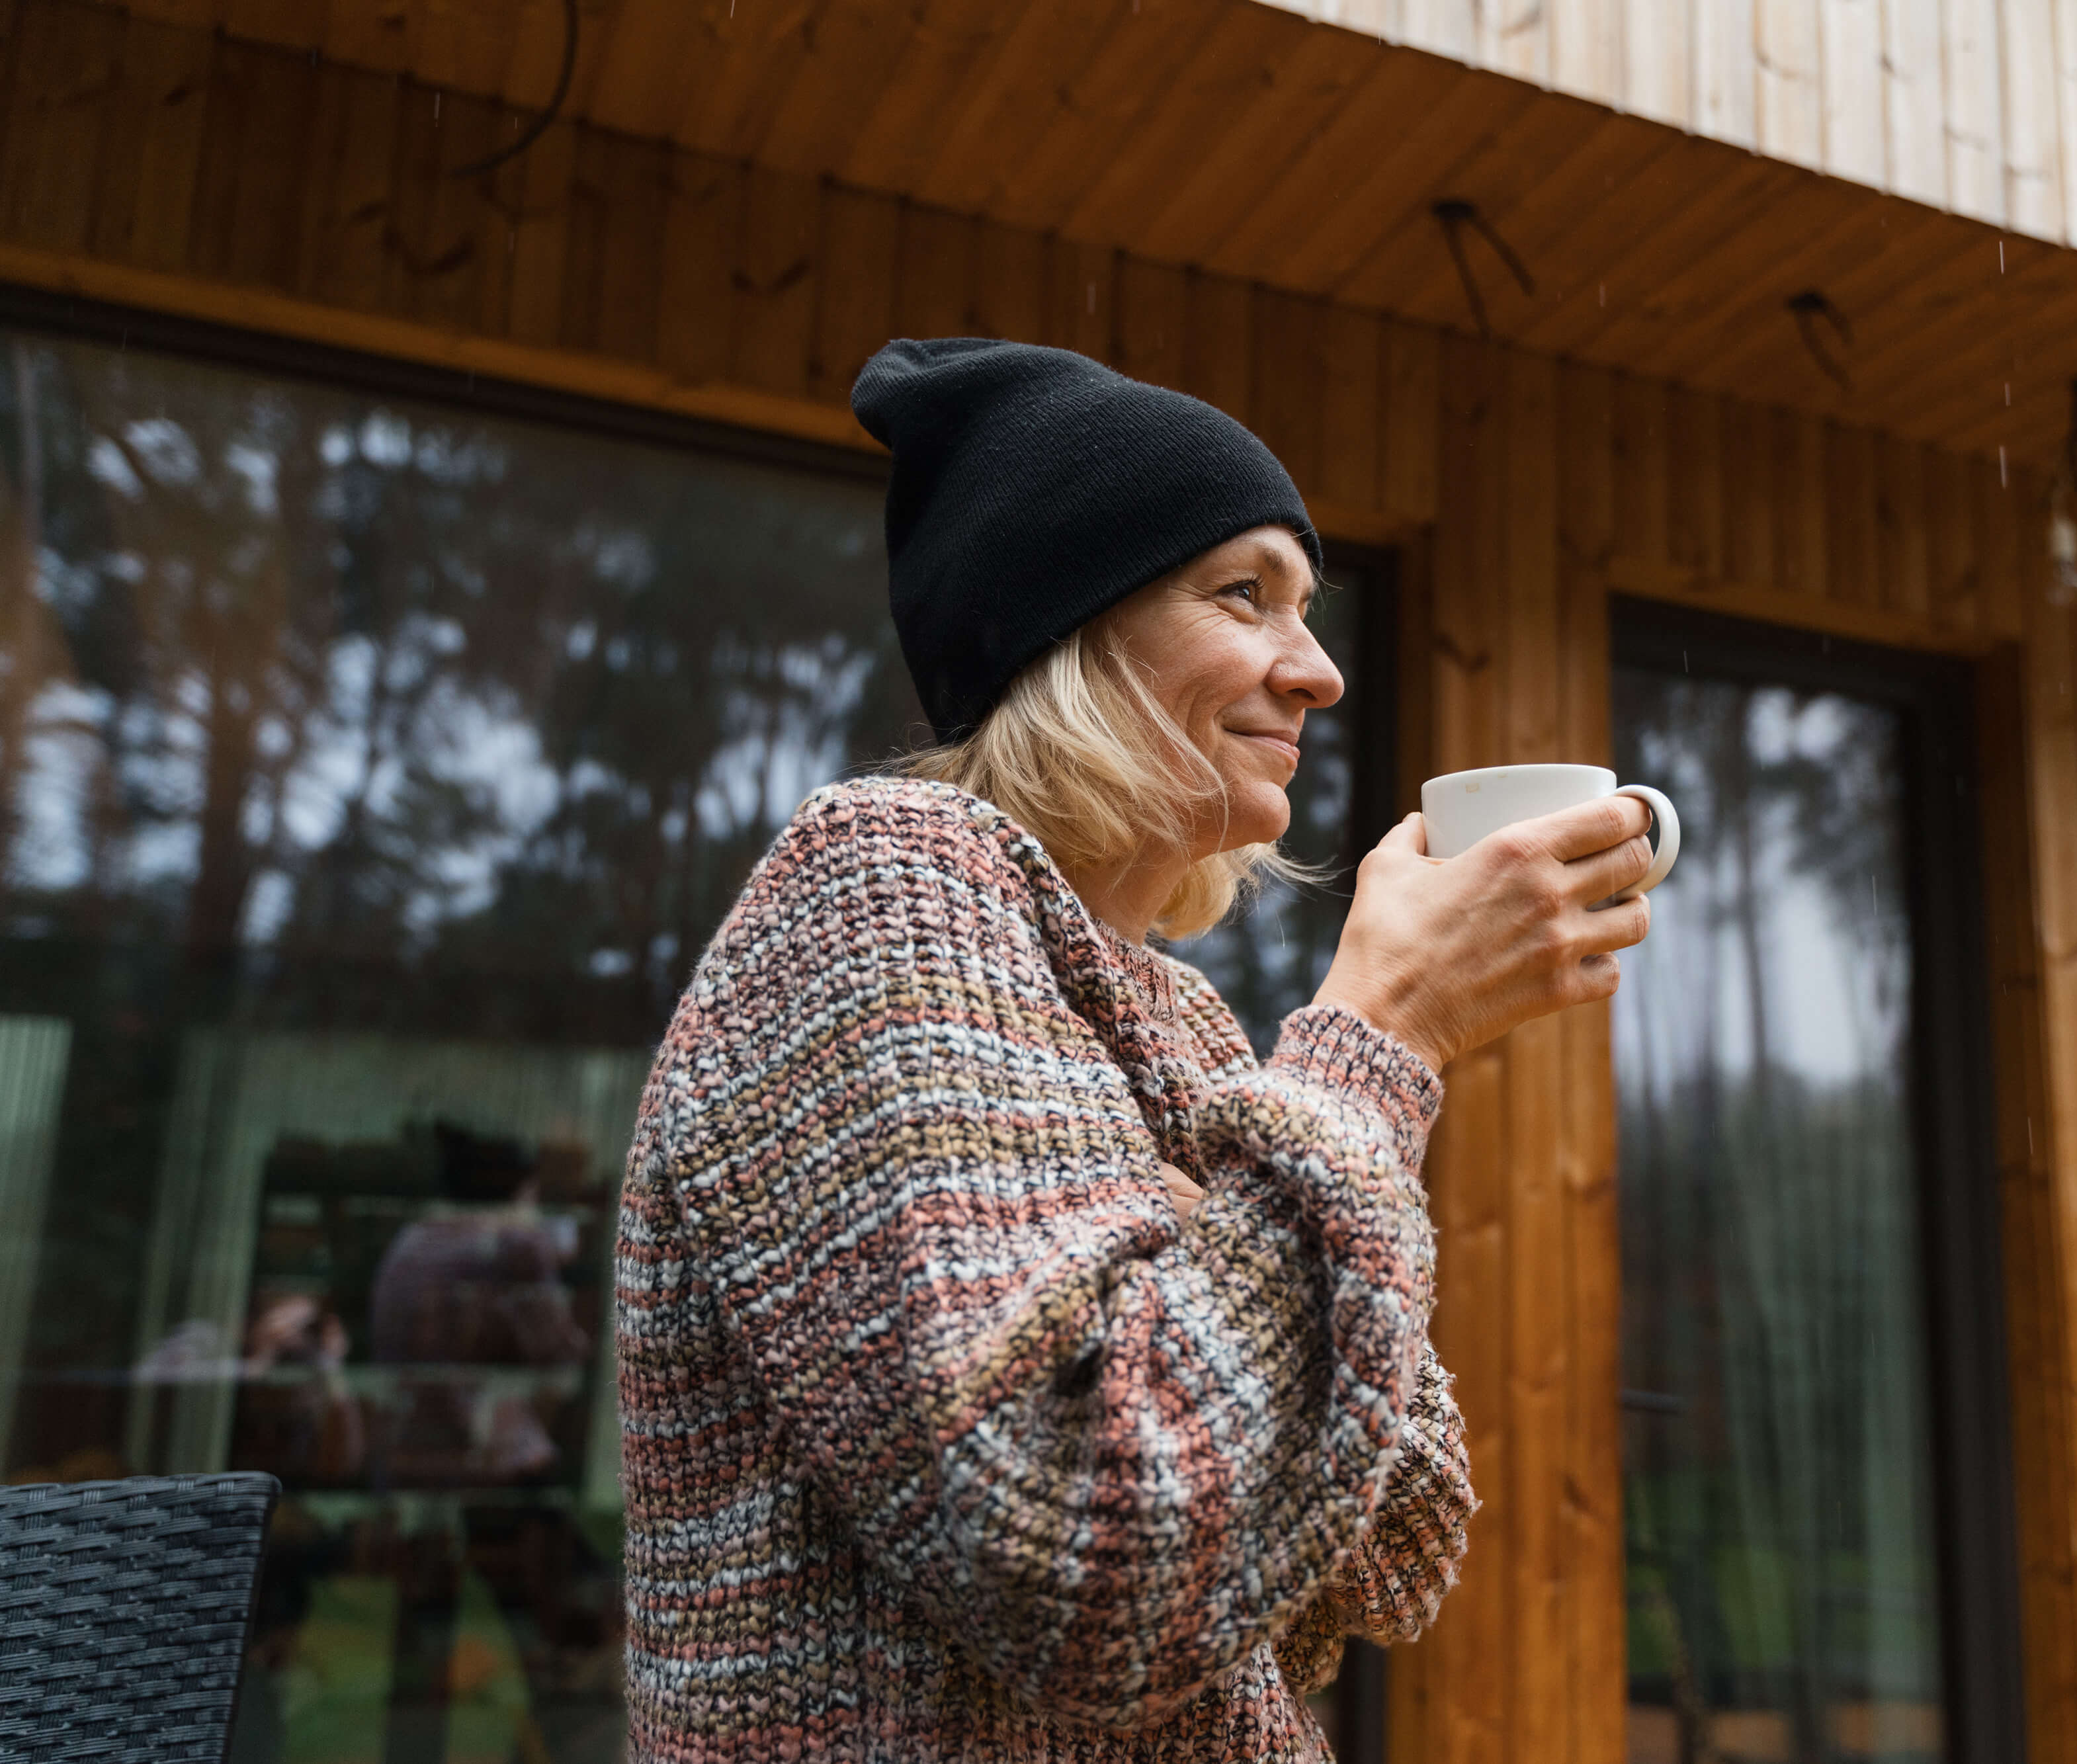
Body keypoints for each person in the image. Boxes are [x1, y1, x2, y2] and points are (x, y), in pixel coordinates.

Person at [616, 338, 1657, 1762]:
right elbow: (1092, 1545)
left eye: (1310, 606)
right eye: (1245, 595)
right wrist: (1380, 1036)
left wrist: (1227, 1241)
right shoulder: (885, 889)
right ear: (1067, 628)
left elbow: (1393, 1537)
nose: (1321, 671)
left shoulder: (1175, 1015)